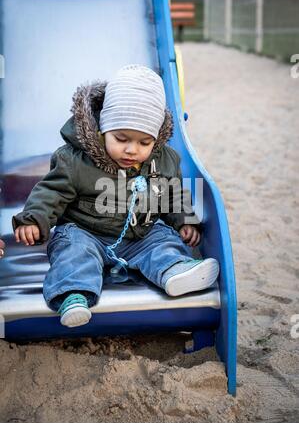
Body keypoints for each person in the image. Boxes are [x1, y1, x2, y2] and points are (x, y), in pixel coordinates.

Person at [12, 64, 219, 328]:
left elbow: (174, 193)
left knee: (162, 240)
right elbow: (51, 191)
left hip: (139, 236)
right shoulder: (76, 160)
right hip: (86, 232)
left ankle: (174, 270)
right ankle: (73, 295)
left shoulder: (164, 160)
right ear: (102, 130)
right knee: (73, 251)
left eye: (145, 142)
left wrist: (184, 221)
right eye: (121, 139)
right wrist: (34, 219)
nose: (132, 150)